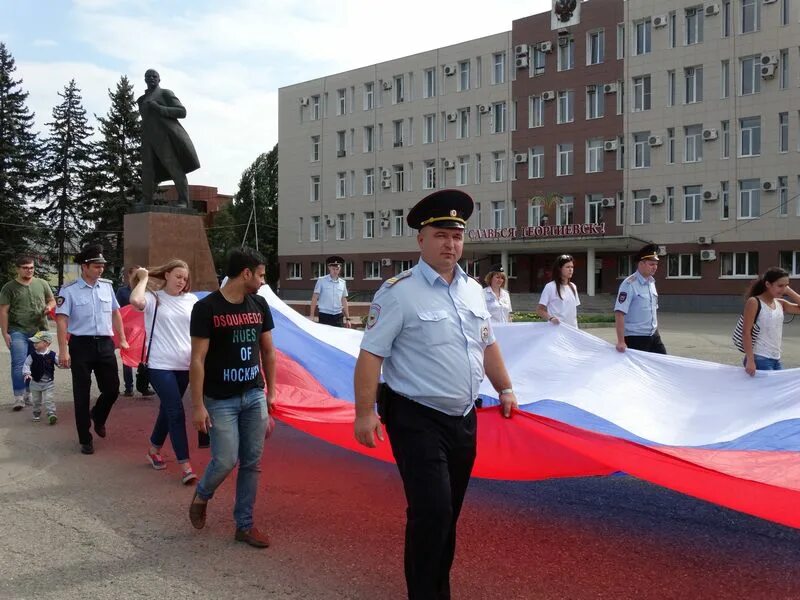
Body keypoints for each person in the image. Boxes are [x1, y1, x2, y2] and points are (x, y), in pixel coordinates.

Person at [354, 189, 518, 600]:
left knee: (448, 514)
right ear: (421, 239)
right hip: (415, 415)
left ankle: (436, 586)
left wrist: (506, 388)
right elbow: (371, 354)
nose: (450, 244)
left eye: (457, 236)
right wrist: (364, 412)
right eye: (441, 235)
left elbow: (488, 344)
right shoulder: (398, 293)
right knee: (432, 511)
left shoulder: (472, 291)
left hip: (463, 418)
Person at [188, 248, 277, 548]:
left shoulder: (260, 304)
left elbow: (268, 351)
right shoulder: (206, 308)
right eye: (261, 275)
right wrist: (198, 405)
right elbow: (197, 359)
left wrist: (271, 393)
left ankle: (245, 525)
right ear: (246, 273)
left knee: (252, 463)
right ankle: (202, 494)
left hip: (254, 394)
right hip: (219, 400)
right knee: (225, 459)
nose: (264, 281)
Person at [130, 260, 200, 484]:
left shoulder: (192, 300)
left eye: (185, 278)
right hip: (160, 365)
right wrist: (143, 279)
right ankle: (185, 465)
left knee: (168, 410)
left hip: (185, 366)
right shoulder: (154, 298)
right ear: (167, 274)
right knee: (176, 411)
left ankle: (153, 449)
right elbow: (135, 300)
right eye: (178, 276)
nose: (182, 281)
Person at [55, 245, 129, 455]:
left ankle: (98, 415)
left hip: (105, 344)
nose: (101, 270)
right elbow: (61, 321)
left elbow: (116, 313)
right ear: (84, 267)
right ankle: (85, 438)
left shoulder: (106, 287)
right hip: (81, 345)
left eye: (102, 267)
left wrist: (122, 338)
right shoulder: (68, 290)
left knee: (113, 389)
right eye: (96, 266)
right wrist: (63, 351)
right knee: (81, 393)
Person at [137, 69, 200, 208]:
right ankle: (146, 199)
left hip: (164, 137)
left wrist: (159, 108)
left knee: (174, 167)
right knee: (147, 170)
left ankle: (184, 200)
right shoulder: (141, 100)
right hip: (147, 139)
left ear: (159, 79)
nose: (151, 78)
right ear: (145, 79)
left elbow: (182, 111)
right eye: (148, 76)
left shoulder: (165, 93)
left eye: (154, 76)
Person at [0, 255, 55, 411]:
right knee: (19, 363)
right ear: (18, 269)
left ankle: (28, 393)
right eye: (25, 268)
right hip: (18, 330)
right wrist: (5, 333)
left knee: (35, 362)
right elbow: (3, 311)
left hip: (39, 330)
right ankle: (19, 397)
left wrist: (49, 307)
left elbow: (51, 300)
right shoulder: (9, 287)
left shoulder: (42, 283)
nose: (29, 270)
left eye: (31, 267)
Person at [741, 267, 800, 375]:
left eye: (786, 285)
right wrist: (750, 360)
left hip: (776, 359)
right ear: (768, 284)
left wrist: (789, 291)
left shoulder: (780, 303)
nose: (783, 289)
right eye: (780, 286)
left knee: (777, 390)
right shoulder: (754, 302)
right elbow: (746, 332)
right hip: (759, 358)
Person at [614, 244, 666, 354]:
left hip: (653, 336)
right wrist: (621, 341)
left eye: (656, 264)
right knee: (640, 371)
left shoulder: (651, 282)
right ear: (641, 264)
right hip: (636, 338)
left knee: (664, 365)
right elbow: (619, 313)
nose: (655, 267)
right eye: (651, 264)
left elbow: (652, 312)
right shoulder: (629, 284)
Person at [117, 265, 154, 397]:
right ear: (129, 276)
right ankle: (129, 387)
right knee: (127, 356)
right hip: (128, 329)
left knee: (145, 356)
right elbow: (118, 311)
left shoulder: (147, 292)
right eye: (135, 275)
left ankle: (144, 385)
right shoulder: (122, 292)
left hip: (143, 328)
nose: (137, 278)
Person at [22, 330, 58, 424]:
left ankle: (51, 413)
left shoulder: (52, 355)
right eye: (34, 342)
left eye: (37, 342)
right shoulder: (32, 356)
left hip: (48, 383)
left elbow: (60, 363)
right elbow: (26, 364)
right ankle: (36, 412)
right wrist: (27, 373)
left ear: (46, 343)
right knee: (36, 400)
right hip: (35, 382)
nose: (34, 344)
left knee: (49, 399)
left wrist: (66, 364)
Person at [536, 254, 581, 328]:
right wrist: (551, 318)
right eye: (567, 267)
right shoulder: (550, 287)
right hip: (557, 331)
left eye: (572, 267)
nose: (571, 270)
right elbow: (540, 310)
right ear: (560, 269)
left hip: (572, 330)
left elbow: (572, 312)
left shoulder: (573, 287)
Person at [309, 256, 352, 328]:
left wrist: (348, 318)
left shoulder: (342, 283)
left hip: (338, 316)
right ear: (329, 268)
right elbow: (314, 298)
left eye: (337, 269)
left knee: (338, 338)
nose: (335, 271)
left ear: (340, 269)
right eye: (333, 269)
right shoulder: (321, 280)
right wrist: (312, 315)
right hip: (325, 315)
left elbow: (344, 300)